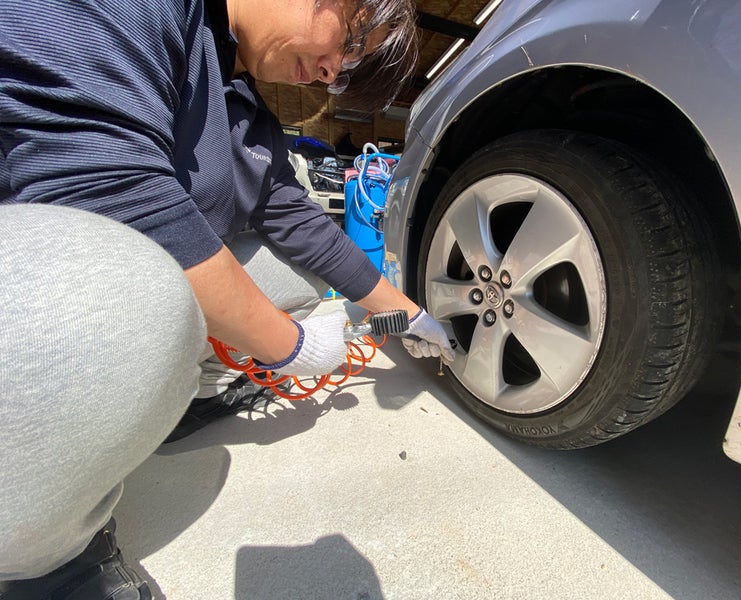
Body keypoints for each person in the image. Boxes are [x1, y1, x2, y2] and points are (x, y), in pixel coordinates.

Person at [0, 0, 455, 597]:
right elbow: (111, 191)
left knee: (291, 275)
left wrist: (409, 311)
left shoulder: (239, 95)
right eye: (347, 45)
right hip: (41, 274)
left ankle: (167, 391)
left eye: (342, 74)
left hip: (96, 274)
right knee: (138, 291)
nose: (328, 76)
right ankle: (42, 559)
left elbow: (299, 222)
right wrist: (288, 344)